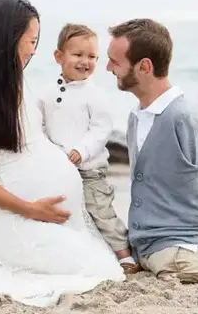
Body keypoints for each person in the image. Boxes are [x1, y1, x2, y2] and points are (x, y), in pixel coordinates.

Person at [0, 0, 125, 307]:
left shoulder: (17, 85)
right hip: (21, 221)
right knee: (100, 272)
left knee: (106, 266)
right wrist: (30, 209)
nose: (34, 50)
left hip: (52, 218)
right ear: (7, 38)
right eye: (31, 41)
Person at [106, 18, 198, 283]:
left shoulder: (183, 118)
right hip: (146, 241)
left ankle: (177, 263)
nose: (108, 67)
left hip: (181, 244)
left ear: (144, 67)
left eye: (115, 61)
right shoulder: (138, 116)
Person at [37, 23, 139, 273]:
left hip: (89, 169)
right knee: (65, 212)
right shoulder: (47, 94)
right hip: (58, 169)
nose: (85, 61)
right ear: (59, 57)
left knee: (99, 210)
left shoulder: (94, 95)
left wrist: (82, 150)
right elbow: (37, 125)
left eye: (92, 57)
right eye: (78, 55)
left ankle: (124, 252)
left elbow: (101, 129)